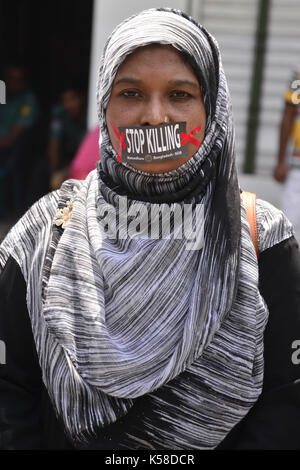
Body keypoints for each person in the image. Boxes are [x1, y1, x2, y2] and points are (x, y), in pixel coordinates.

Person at [0, 8, 300, 450]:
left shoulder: (261, 237)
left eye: (180, 94)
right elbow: (10, 393)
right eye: (131, 93)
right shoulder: (46, 231)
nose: (155, 117)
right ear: (105, 106)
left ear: (212, 107)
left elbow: (285, 406)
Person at [0, 62, 39, 218]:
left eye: (19, 79)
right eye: (11, 78)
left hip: (13, 154)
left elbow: (11, 139)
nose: (14, 83)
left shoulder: (28, 101)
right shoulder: (2, 94)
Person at [273, 65, 300, 241]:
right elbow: (288, 114)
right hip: (297, 165)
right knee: (289, 230)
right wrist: (281, 160)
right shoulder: (299, 74)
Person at [48, 82, 86, 189]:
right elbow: (54, 144)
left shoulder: (92, 113)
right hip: (68, 158)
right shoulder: (60, 113)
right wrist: (55, 170)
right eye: (65, 100)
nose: (69, 105)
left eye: (73, 99)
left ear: (82, 97)